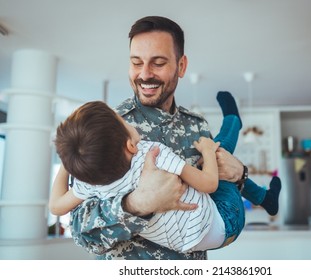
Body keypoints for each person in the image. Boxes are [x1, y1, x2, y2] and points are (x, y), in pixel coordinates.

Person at [68, 15, 276, 260]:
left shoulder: (198, 126)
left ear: (181, 66)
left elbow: (216, 200)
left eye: (158, 63)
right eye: (136, 63)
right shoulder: (106, 129)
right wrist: (136, 204)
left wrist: (241, 174)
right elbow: (80, 231)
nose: (144, 74)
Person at [50, 92, 281, 253]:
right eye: (122, 120)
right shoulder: (152, 152)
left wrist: (68, 164)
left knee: (219, 164)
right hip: (224, 222)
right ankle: (234, 122)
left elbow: (56, 206)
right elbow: (210, 183)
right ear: (130, 145)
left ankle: (265, 198)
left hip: (189, 244)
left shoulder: (92, 182)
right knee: (217, 152)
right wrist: (208, 152)